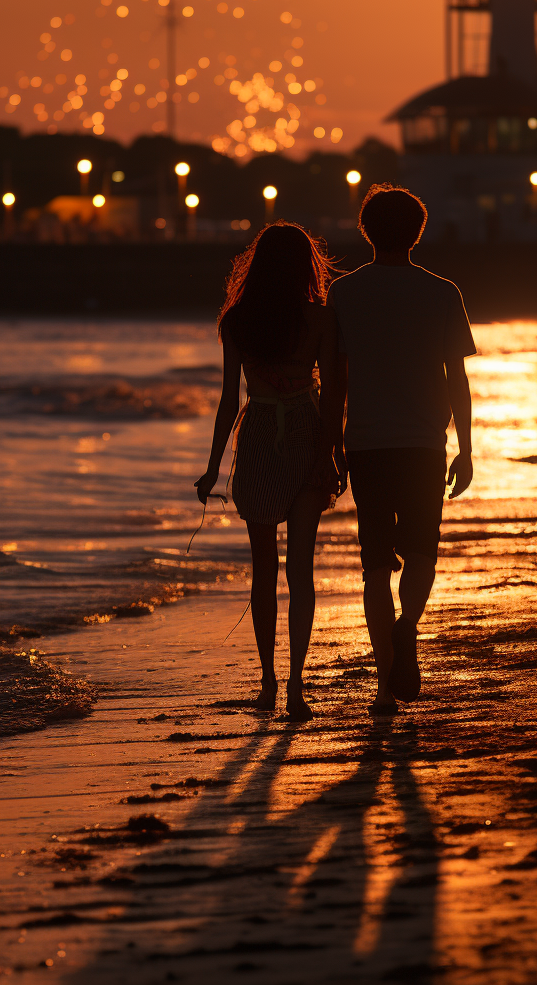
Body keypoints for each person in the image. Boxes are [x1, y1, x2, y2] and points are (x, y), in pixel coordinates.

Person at [328, 185, 476, 714]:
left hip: (366, 443)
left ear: (366, 231)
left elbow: (335, 382)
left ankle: (382, 683)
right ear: (419, 231)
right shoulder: (442, 292)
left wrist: (331, 446)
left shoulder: (344, 294)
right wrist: (467, 447)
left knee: (374, 567)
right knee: (420, 553)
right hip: (423, 443)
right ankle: (407, 625)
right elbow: (456, 378)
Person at [195, 223, 344, 721]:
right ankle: (297, 688)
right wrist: (332, 453)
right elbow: (336, 399)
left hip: (258, 434)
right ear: (307, 267)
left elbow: (226, 402)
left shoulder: (238, 320)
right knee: (301, 570)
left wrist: (213, 467)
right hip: (306, 433)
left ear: (256, 266)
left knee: (264, 573)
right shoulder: (320, 320)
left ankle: (267, 685)